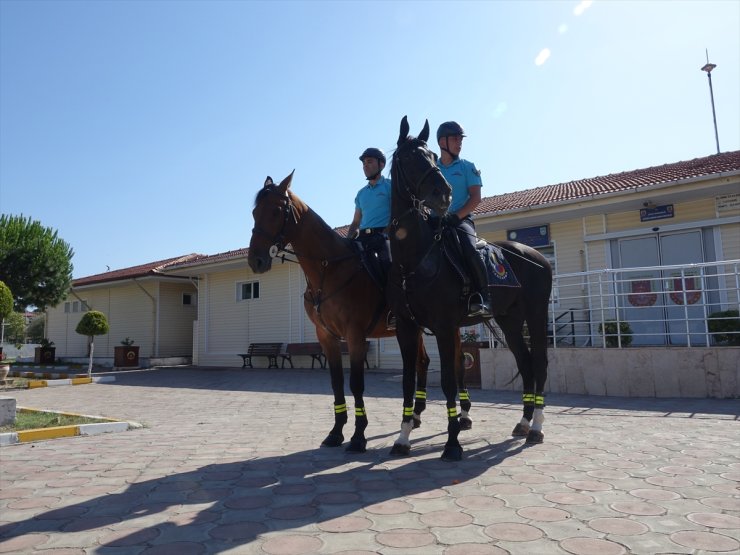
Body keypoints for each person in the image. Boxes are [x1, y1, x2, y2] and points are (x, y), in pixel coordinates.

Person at [436, 121, 492, 318]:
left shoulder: (468, 167)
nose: (459, 142)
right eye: (455, 138)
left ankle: (484, 297)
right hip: (434, 223)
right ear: (442, 141)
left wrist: (456, 216)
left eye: (461, 139)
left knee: (469, 248)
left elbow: (475, 198)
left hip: (460, 221)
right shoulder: (432, 169)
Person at [347, 147, 395, 328]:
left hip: (384, 237)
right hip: (363, 238)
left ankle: (393, 310)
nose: (366, 166)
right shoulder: (361, 193)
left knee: (388, 267)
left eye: (370, 162)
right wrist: (348, 240)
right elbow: (355, 222)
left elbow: (396, 214)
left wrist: (384, 234)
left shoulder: (390, 186)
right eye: (364, 163)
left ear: (381, 164)